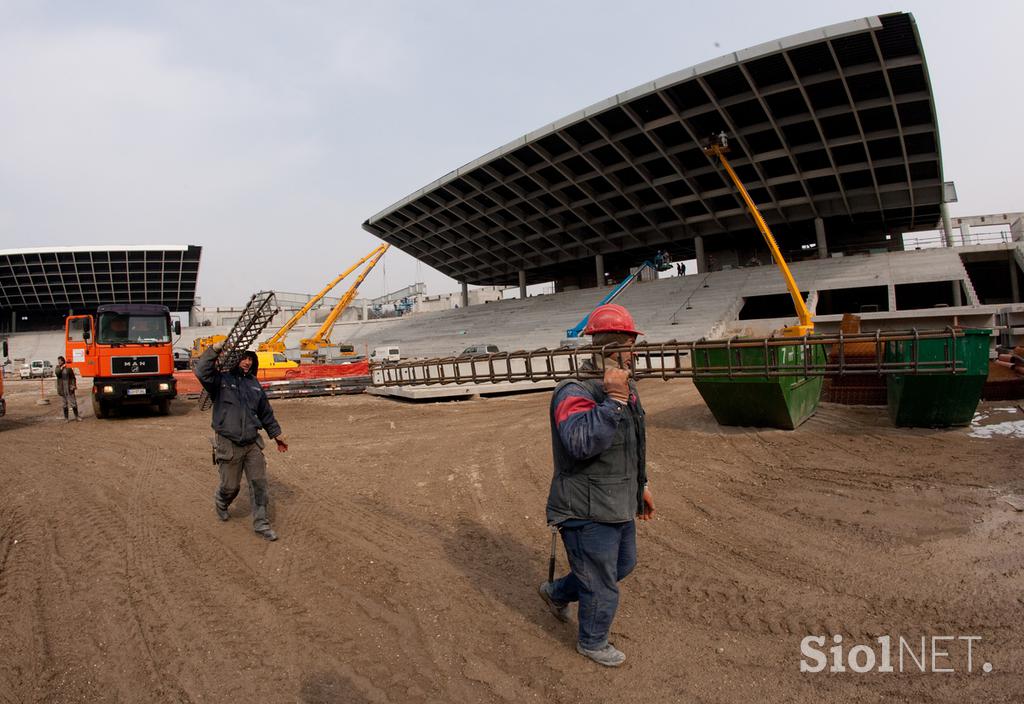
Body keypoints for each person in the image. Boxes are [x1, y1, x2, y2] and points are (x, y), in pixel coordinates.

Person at [539, 303, 656, 667]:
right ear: (607, 348)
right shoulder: (574, 392)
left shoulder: (625, 389)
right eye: (627, 346)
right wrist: (614, 400)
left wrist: (642, 485)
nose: (633, 354)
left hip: (617, 501)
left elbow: (631, 444)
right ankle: (592, 641)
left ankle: (557, 592)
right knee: (601, 583)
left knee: (623, 564)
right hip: (585, 508)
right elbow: (580, 443)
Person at [194, 342, 289, 541]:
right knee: (231, 487)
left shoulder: (254, 384)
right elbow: (202, 371)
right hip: (228, 442)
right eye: (243, 358)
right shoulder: (220, 380)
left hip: (252, 442)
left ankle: (261, 524)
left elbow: (265, 412)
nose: (246, 362)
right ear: (236, 359)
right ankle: (222, 500)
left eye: (250, 359)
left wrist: (276, 434)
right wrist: (215, 349)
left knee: (259, 483)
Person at [54, 356, 82, 422]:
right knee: (64, 404)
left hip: (69, 387)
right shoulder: (58, 368)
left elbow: (73, 377)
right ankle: (66, 418)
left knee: (73, 402)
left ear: (63, 361)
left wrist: (73, 385)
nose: (59, 362)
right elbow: (57, 374)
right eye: (58, 361)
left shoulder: (68, 368)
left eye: (60, 360)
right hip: (62, 387)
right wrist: (61, 368)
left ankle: (77, 416)